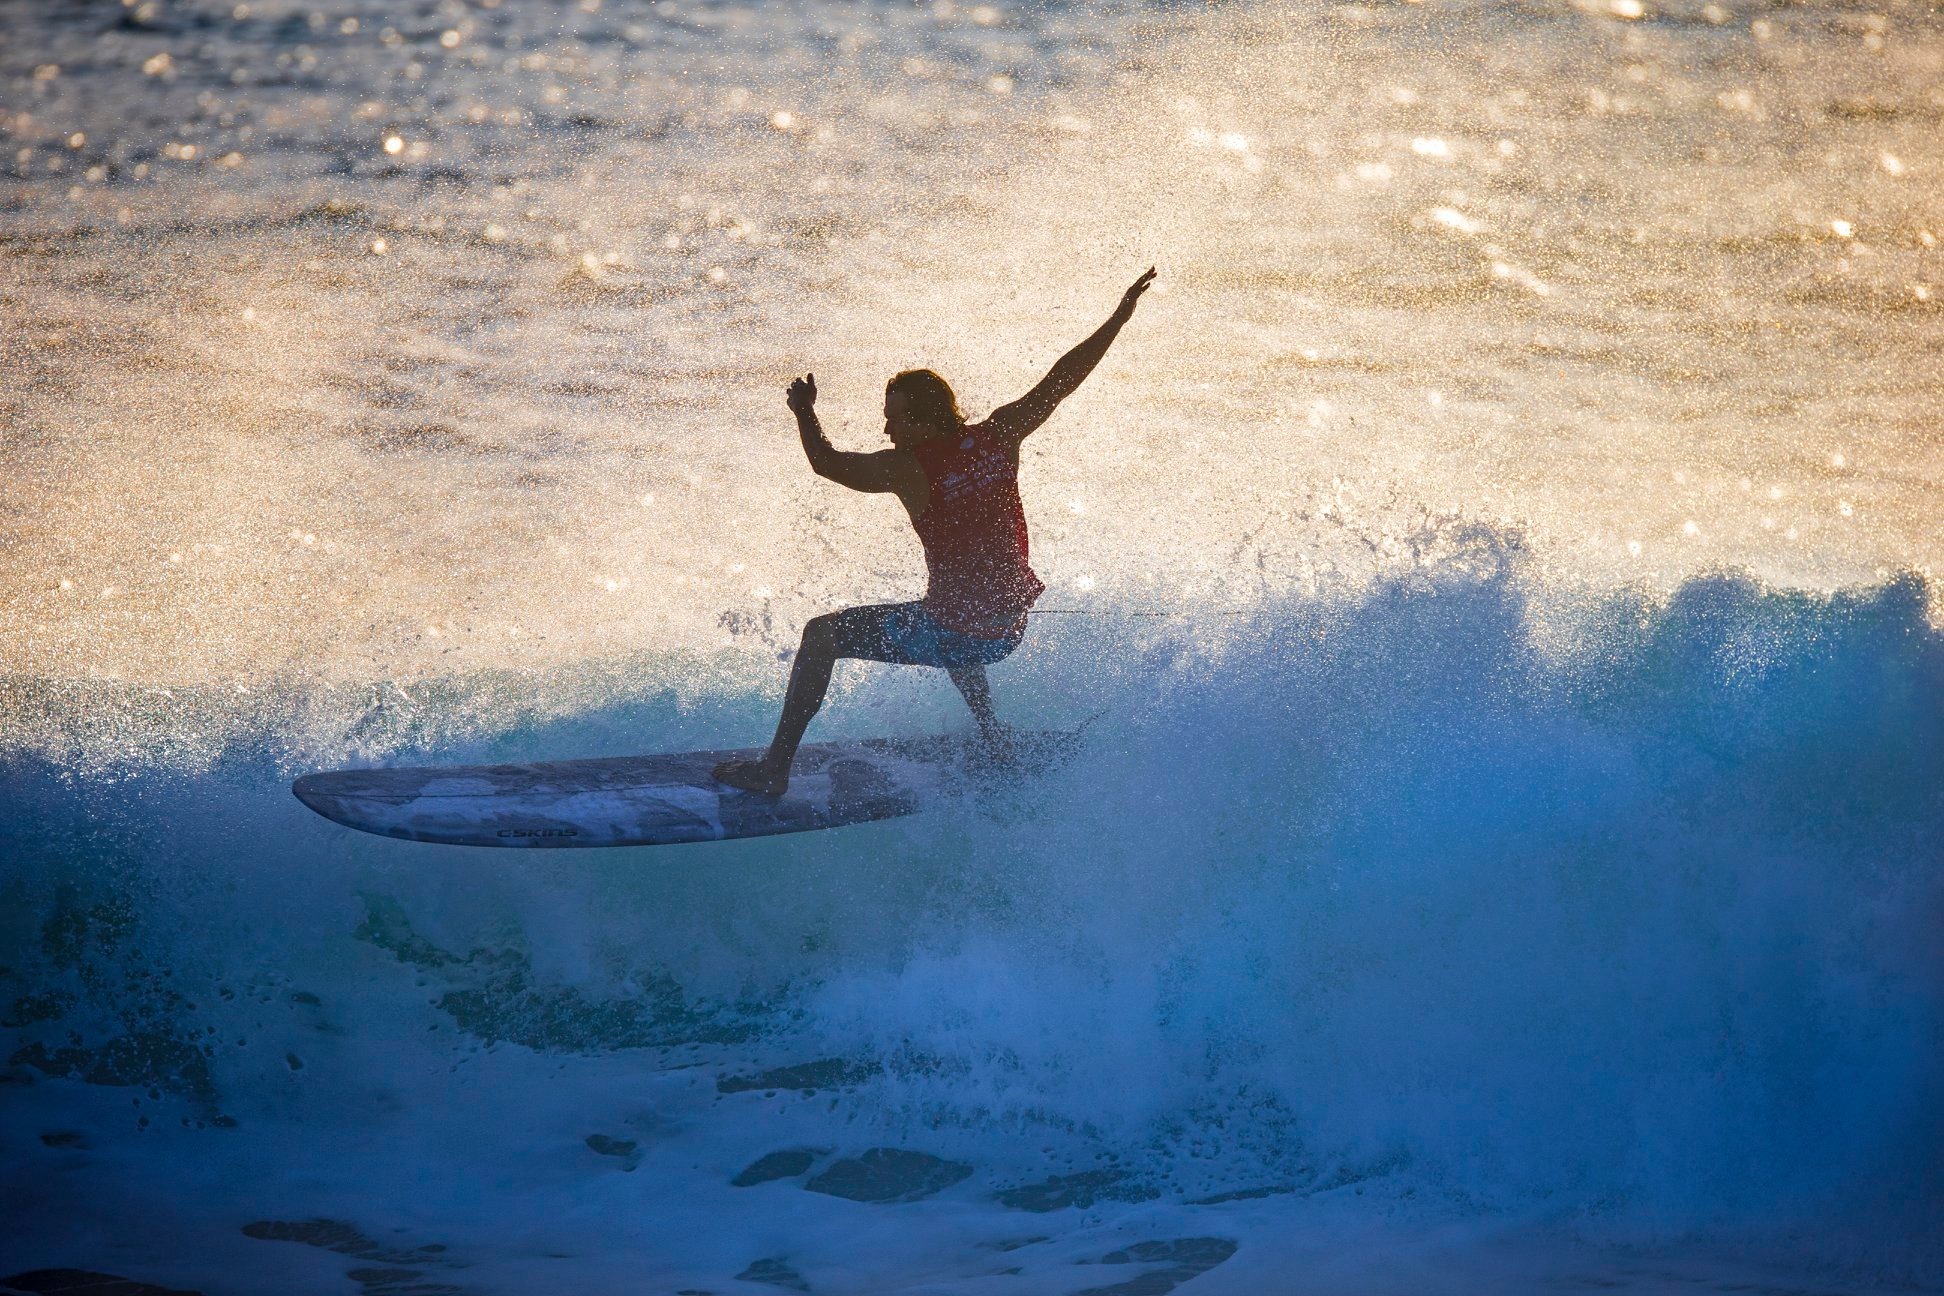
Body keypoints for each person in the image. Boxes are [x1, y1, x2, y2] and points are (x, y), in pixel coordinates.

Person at [714, 267, 1156, 797]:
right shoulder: (1000, 434)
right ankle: (994, 738)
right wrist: (1119, 317)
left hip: (958, 632)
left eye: (894, 419)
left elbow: (826, 463)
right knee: (946, 609)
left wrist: (804, 412)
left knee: (821, 635)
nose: (887, 430)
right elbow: (1063, 378)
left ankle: (773, 770)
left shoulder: (909, 468)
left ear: (924, 420)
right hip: (1007, 631)